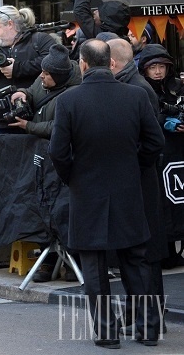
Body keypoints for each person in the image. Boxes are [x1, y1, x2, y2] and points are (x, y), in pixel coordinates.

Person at [49, 39, 164, 348]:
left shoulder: (69, 101)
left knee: (95, 265)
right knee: (135, 262)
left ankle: (107, 332)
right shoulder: (136, 96)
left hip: (87, 193)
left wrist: (73, 177)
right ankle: (148, 329)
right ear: (109, 62)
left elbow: (58, 152)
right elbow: (155, 143)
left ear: (83, 64)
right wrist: (134, 167)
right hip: (129, 190)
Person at [108, 38, 169, 334]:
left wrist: (136, 165)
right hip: (140, 180)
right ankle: (140, 317)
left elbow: (152, 141)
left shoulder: (137, 90)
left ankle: (149, 320)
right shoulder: (133, 87)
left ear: (112, 63)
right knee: (138, 254)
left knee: (144, 254)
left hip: (142, 182)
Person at [7, 44, 81, 282]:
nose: (41, 76)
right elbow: (33, 89)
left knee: (65, 211)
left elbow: (59, 128)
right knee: (41, 207)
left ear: (58, 77)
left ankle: (73, 261)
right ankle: (48, 261)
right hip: (39, 159)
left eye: (46, 75)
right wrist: (24, 94)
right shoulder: (44, 76)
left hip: (63, 160)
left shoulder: (76, 91)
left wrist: (29, 127)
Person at [0, 5, 54, 133]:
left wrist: (17, 68)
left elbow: (54, 61)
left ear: (10, 24)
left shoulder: (39, 40)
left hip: (37, 118)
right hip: (5, 122)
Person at [138, 44, 184, 270]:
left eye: (161, 67)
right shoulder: (142, 89)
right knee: (163, 204)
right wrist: (164, 120)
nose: (158, 71)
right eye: (153, 67)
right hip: (160, 156)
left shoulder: (178, 87)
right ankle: (165, 251)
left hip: (179, 154)